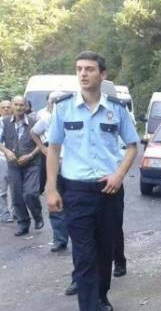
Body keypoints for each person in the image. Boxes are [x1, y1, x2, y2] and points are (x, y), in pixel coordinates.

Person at [46, 51, 139, 311]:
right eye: (79, 69)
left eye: (89, 69)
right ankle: (89, 306)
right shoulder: (64, 107)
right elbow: (53, 149)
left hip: (109, 190)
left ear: (102, 74)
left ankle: (100, 296)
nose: (83, 74)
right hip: (76, 191)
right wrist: (51, 189)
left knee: (105, 249)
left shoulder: (116, 109)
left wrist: (119, 175)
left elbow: (132, 146)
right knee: (84, 254)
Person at [0, 96, 43, 236]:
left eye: (22, 105)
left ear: (26, 107)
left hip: (32, 163)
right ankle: (23, 223)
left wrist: (30, 155)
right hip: (13, 165)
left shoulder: (34, 122)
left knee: (30, 193)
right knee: (17, 196)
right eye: (16, 105)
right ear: (12, 106)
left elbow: (42, 143)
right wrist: (6, 151)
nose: (19, 107)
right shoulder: (4, 122)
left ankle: (37, 216)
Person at [31, 91, 68, 251]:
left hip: (75, 168)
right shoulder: (46, 119)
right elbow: (33, 132)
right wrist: (42, 149)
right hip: (55, 167)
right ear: (50, 104)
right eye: (54, 102)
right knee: (55, 201)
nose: (56, 105)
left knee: (76, 202)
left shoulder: (76, 117)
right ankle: (60, 239)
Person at [0, 100, 12, 223]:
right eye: (3, 107)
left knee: (15, 188)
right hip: (1, 159)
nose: (6, 109)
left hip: (14, 159)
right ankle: (4, 213)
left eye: (8, 107)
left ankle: (15, 212)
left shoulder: (14, 122)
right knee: (2, 189)